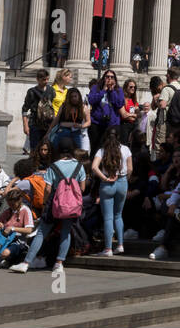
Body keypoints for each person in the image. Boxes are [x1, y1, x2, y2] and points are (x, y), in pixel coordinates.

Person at [11, 136, 86, 272]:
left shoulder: (54, 166)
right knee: (65, 232)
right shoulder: (79, 166)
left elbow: (47, 188)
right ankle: (59, 263)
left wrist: (45, 203)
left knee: (41, 232)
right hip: (71, 205)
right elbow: (83, 188)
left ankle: (26, 263)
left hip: (54, 203)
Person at [92, 129, 132, 257]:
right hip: (122, 181)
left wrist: (104, 178)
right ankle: (120, 245)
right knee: (118, 215)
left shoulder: (102, 150)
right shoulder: (125, 149)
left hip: (107, 183)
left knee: (108, 217)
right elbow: (130, 168)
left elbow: (94, 167)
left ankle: (108, 248)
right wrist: (125, 179)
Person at [86, 69, 123, 154]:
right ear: (103, 78)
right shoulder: (96, 88)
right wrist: (103, 91)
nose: (109, 79)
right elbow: (91, 100)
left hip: (112, 124)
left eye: (112, 77)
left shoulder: (118, 90)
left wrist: (112, 91)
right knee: (96, 150)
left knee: (111, 150)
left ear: (115, 79)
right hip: (97, 124)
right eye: (107, 77)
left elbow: (119, 104)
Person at [21, 69, 55, 153]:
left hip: (48, 124)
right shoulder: (31, 92)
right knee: (34, 149)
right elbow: (25, 109)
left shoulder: (51, 90)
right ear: (37, 79)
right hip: (35, 124)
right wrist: (25, 125)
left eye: (47, 79)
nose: (46, 81)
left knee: (47, 148)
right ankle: (33, 165)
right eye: (44, 79)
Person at [51, 87, 90, 153]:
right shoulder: (64, 106)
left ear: (79, 96)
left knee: (78, 153)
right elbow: (56, 120)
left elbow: (88, 122)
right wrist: (48, 133)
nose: (74, 98)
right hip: (63, 131)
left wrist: (81, 126)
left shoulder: (83, 107)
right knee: (57, 151)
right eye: (71, 97)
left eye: (75, 96)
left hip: (76, 132)